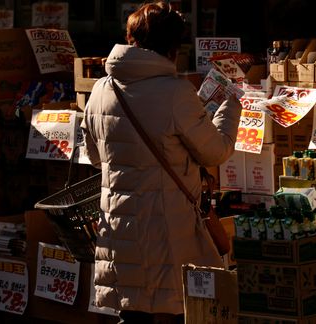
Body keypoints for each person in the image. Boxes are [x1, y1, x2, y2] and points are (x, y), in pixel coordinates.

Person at [81, 1, 242, 323]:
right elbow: (215, 153)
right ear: (174, 45)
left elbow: (96, 157)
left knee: (132, 310)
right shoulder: (174, 92)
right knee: (172, 309)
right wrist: (230, 108)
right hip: (167, 226)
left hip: (118, 226)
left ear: (131, 38)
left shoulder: (101, 88)